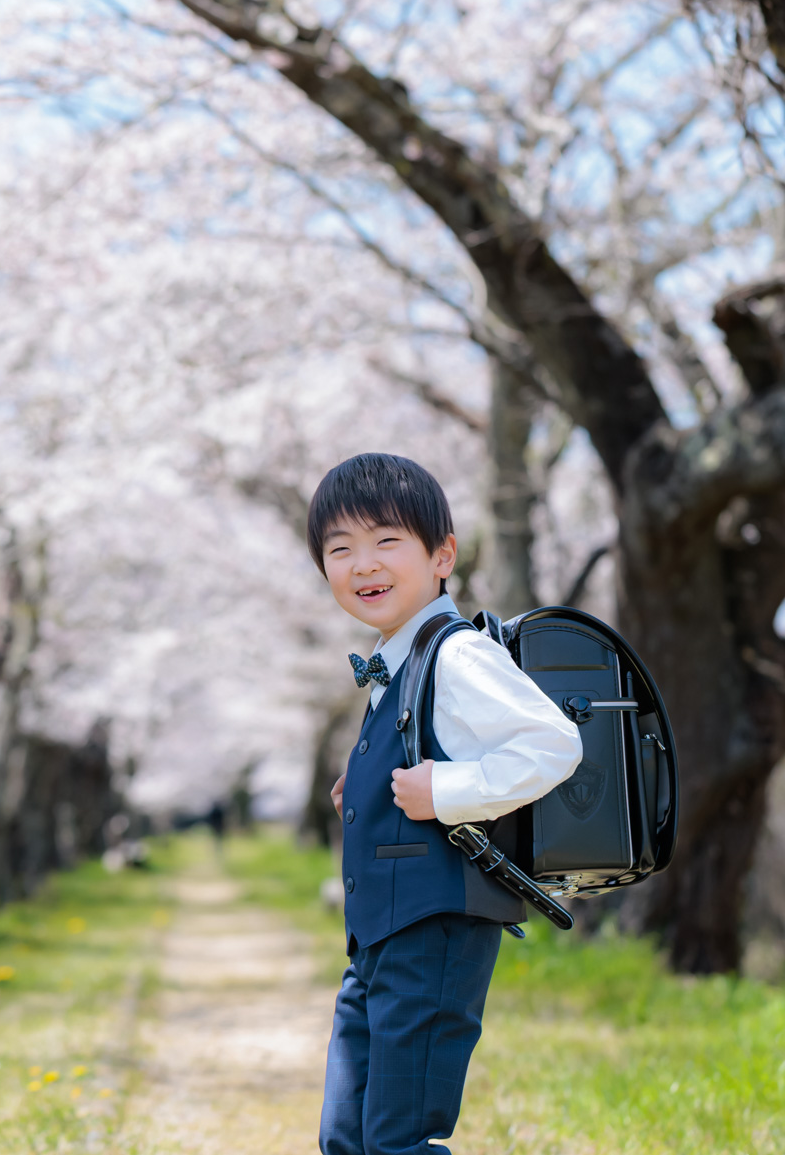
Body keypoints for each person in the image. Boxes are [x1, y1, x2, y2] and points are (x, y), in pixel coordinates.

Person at [308, 452, 581, 1155]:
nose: (364, 564)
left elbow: (553, 744)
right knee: (347, 1134)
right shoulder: (397, 660)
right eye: (340, 549)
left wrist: (445, 792)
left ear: (442, 556)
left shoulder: (456, 654)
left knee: (397, 1138)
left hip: (433, 933)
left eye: (386, 540)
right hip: (379, 940)